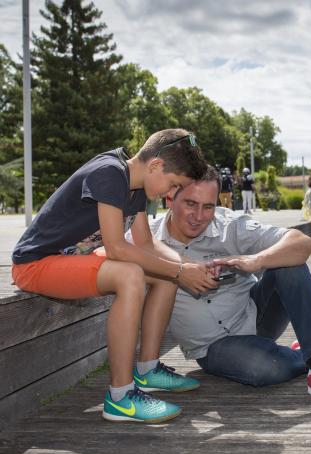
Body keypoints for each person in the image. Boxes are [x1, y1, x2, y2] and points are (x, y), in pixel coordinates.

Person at [11, 129, 213, 423]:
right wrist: (181, 271)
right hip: (35, 264)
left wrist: (185, 264)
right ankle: (120, 397)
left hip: (71, 259)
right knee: (130, 274)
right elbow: (117, 248)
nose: (171, 195)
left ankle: (148, 369)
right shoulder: (109, 173)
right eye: (174, 184)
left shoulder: (138, 187)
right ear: (156, 165)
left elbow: (146, 244)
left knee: (164, 275)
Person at [139, 166, 311, 407]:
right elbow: (109, 251)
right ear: (170, 197)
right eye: (190, 204)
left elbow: (302, 242)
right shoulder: (146, 238)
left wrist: (257, 260)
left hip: (256, 316)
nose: (199, 216)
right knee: (262, 368)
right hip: (211, 346)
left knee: (289, 263)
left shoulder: (229, 224)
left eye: (208, 206)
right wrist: (179, 268)